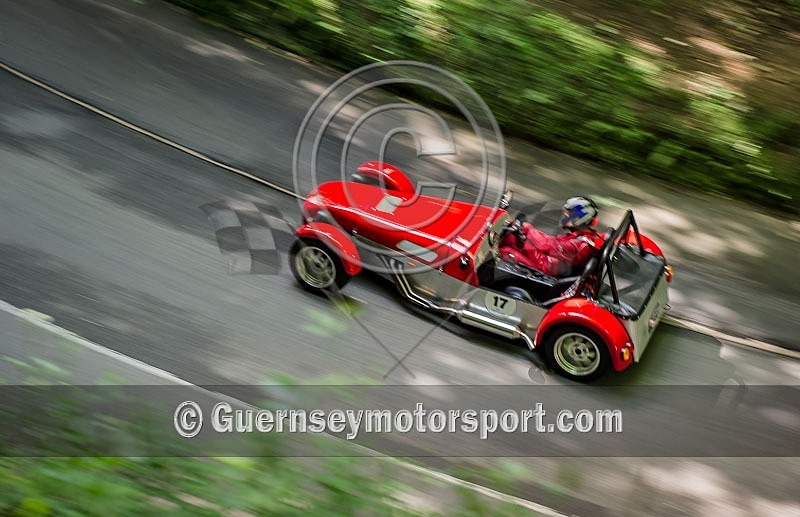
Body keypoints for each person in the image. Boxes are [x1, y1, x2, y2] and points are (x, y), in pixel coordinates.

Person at [499, 196, 604, 277]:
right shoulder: (580, 236)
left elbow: (548, 245)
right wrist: (524, 231)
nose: (563, 217)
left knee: (505, 251)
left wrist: (527, 228)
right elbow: (552, 241)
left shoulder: (580, 245)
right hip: (549, 262)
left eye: (567, 214)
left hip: (546, 267)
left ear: (578, 218)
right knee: (511, 239)